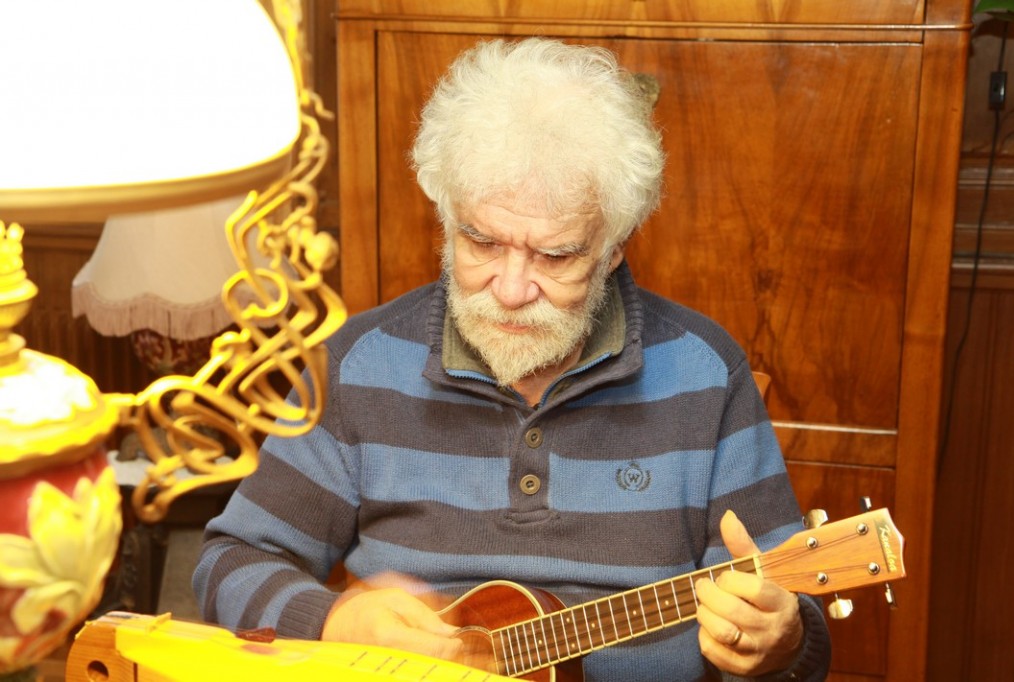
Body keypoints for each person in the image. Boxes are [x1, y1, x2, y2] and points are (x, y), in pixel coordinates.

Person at [193, 37, 831, 681]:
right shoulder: (358, 363)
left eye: (555, 256)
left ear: (612, 248)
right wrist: (333, 621)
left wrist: (782, 639)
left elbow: (792, 609)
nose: (511, 289)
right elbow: (230, 559)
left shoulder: (705, 373)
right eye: (482, 241)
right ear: (446, 218)